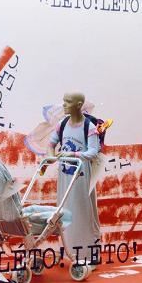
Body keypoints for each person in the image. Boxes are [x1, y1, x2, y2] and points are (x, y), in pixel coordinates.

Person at [47, 92, 101, 265]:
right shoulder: (62, 124)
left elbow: (93, 152)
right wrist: (51, 156)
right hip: (65, 176)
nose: (64, 105)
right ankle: (70, 251)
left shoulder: (89, 127)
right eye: (63, 101)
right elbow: (51, 143)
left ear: (78, 105)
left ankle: (90, 255)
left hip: (82, 176)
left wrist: (73, 154)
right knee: (65, 212)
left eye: (68, 102)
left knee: (84, 213)